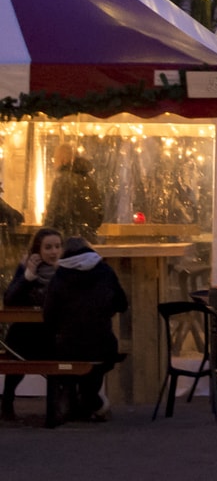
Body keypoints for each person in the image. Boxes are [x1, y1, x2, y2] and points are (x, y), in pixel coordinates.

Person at [43, 237, 128, 421]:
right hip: (103, 345)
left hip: (68, 347)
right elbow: (122, 304)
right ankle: (91, 401)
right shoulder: (105, 271)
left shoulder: (59, 277)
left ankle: (85, 402)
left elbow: (49, 316)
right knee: (96, 364)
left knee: (67, 359)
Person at [2, 227, 62, 419]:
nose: (53, 252)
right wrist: (27, 277)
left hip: (52, 334)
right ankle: (7, 402)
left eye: (57, 247)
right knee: (17, 350)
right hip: (25, 334)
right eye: (48, 247)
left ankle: (57, 408)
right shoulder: (26, 268)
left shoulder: (64, 271)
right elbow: (10, 300)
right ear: (38, 250)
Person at [44, 143, 104, 241]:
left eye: (55, 159)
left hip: (66, 241)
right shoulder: (89, 181)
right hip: (88, 240)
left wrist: (44, 234)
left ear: (63, 160)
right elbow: (99, 214)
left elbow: (54, 214)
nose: (54, 163)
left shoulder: (62, 180)